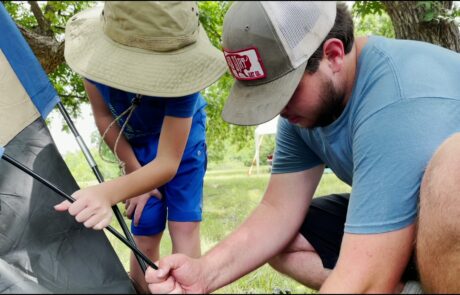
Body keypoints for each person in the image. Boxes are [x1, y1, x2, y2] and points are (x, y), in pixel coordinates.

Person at [144, 1, 460, 294]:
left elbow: (366, 277)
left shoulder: (398, 99)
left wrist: (367, 279)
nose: (277, 108)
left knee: (452, 171)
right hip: (428, 232)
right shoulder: (306, 113)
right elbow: (278, 212)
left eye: (284, 91)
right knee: (287, 240)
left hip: (446, 215)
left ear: (333, 55)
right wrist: (203, 273)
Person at [54, 1, 226, 293]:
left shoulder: (184, 77)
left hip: (181, 146)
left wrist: (107, 192)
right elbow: (104, 117)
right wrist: (133, 172)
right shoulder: (93, 62)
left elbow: (168, 163)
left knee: (184, 226)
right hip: (135, 150)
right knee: (145, 229)